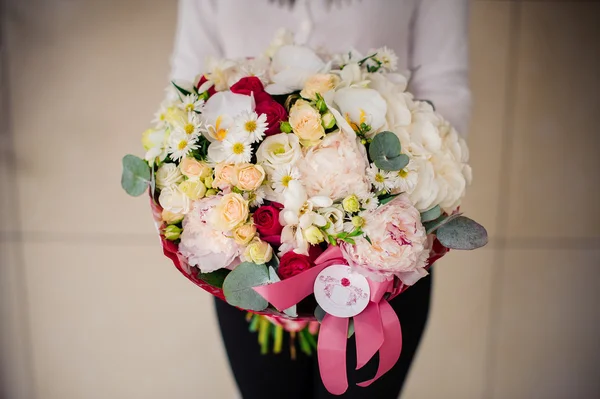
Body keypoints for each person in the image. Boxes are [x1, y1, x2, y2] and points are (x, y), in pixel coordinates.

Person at [169, 1, 470, 398]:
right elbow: (188, 83)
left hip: (383, 252)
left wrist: (378, 211)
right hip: (242, 247)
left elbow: (444, 86)